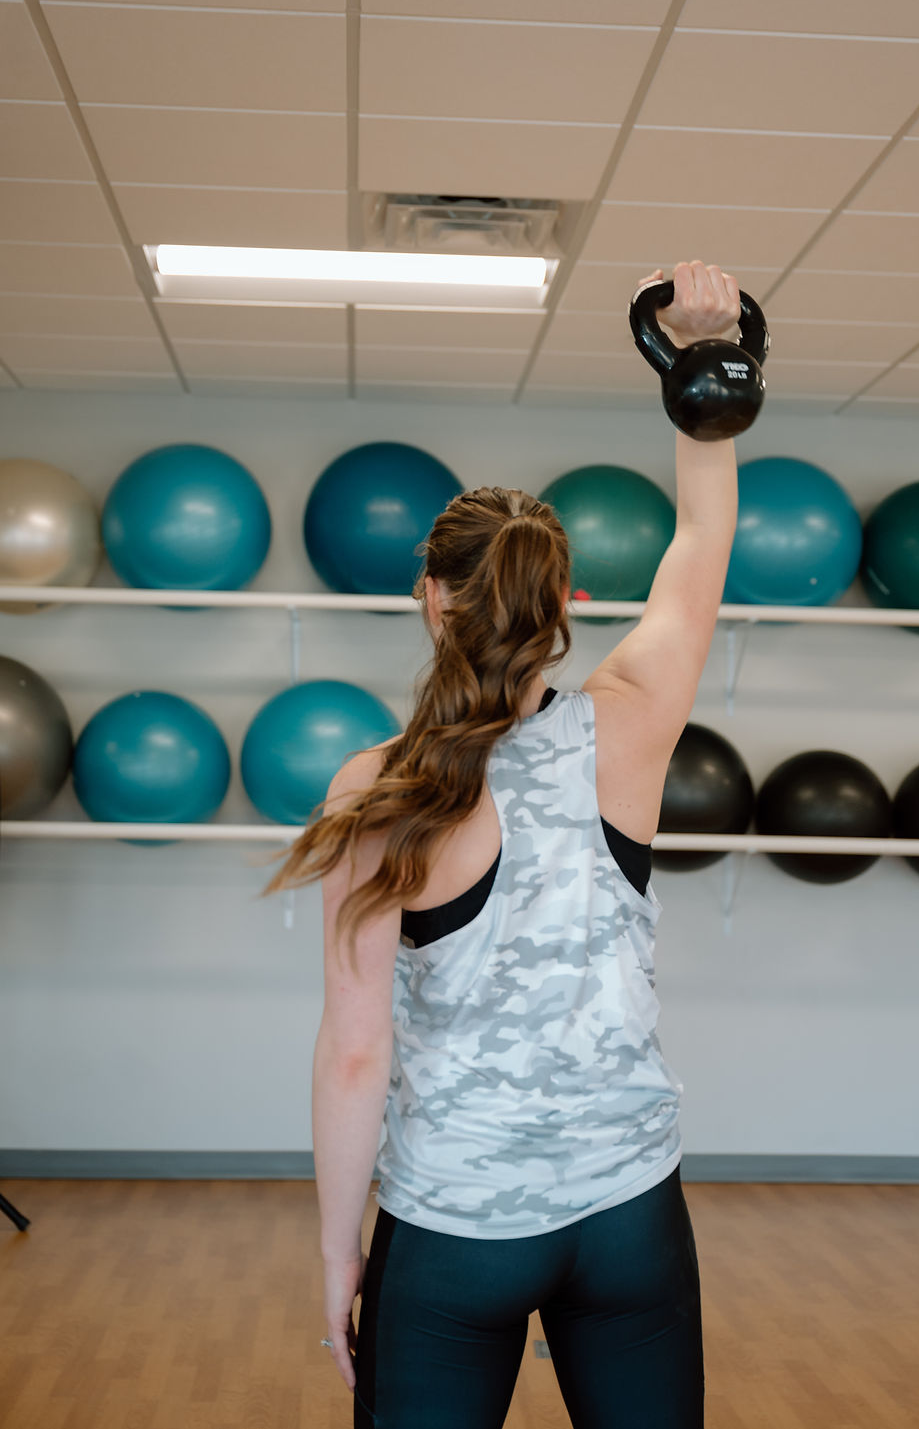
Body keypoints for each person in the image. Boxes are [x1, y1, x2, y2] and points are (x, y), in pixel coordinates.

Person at [264, 260, 742, 1428]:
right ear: (564, 602)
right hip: (629, 1215)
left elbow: (352, 1060)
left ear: (431, 600)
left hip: (452, 1230)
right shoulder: (627, 727)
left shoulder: (377, 792)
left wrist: (340, 1264)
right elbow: (698, 545)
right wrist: (705, 367)